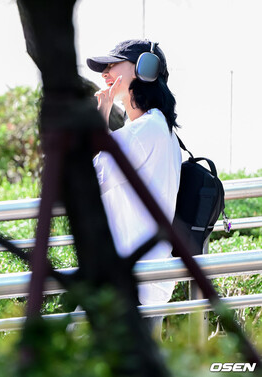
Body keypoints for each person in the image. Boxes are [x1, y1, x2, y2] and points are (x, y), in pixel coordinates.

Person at [87, 39, 182, 337]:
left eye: (113, 65)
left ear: (145, 70)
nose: (104, 73)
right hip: (140, 281)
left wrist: (100, 114)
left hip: (132, 285)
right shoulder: (156, 128)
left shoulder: (145, 131)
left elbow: (89, 179)